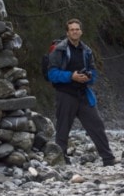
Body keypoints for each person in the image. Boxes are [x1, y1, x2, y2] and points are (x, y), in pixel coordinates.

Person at [47, 18, 117, 166]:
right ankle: (61, 160)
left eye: (77, 29)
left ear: (81, 32)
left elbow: (93, 71)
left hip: (83, 93)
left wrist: (88, 77)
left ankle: (108, 158)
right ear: (67, 32)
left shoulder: (87, 50)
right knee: (63, 128)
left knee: (97, 125)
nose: (75, 32)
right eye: (72, 29)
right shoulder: (59, 50)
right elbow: (51, 74)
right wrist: (71, 76)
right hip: (65, 93)